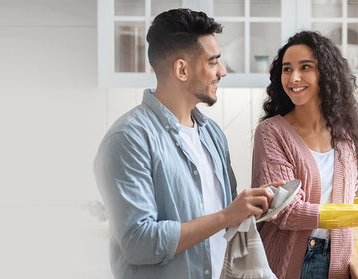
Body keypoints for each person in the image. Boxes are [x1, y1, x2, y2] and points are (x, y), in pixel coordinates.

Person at [94, 9, 277, 279]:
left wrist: (255, 205)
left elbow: (228, 223)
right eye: (213, 62)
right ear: (181, 69)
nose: (223, 72)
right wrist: (226, 216)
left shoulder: (212, 133)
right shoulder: (129, 138)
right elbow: (138, 242)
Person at [251, 31, 358, 279]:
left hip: (337, 259)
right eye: (287, 69)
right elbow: (286, 212)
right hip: (289, 262)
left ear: (327, 74)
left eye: (305, 67)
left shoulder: (343, 135)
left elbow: (343, 200)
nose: (294, 77)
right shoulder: (271, 133)